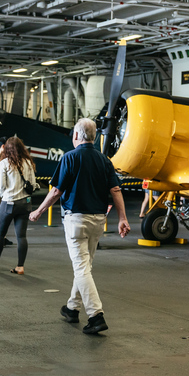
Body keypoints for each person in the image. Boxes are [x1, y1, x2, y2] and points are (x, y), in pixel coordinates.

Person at [29, 118, 130, 335]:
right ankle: (72, 308)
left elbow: (56, 191)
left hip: (76, 221)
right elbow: (116, 190)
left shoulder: (69, 158)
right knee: (84, 266)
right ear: (93, 137)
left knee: (82, 268)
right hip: (98, 221)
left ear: (76, 135)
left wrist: (38, 211)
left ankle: (96, 315)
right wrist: (122, 218)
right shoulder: (105, 160)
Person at [0, 137, 38, 275]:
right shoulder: (28, 162)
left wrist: (3, 193)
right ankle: (20, 266)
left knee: (0, 234)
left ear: (6, 148)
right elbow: (33, 183)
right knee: (21, 236)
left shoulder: (5, 163)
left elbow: (1, 186)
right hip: (25, 203)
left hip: (8, 202)